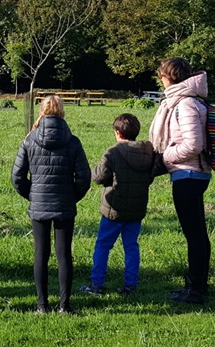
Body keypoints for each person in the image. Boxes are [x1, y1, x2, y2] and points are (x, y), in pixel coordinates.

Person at [12, 95, 92, 314]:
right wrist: (70, 196)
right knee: (64, 254)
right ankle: (64, 306)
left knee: (41, 254)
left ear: (42, 111)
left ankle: (41, 305)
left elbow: (17, 177)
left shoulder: (29, 140)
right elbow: (84, 178)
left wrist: (33, 195)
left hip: (39, 202)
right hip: (64, 203)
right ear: (62, 112)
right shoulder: (73, 141)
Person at [148, 57, 212, 305]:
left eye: (161, 76)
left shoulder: (185, 104)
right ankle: (196, 284)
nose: (160, 80)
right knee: (196, 233)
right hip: (189, 173)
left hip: (189, 173)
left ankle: (196, 289)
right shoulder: (186, 100)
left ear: (169, 77)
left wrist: (164, 157)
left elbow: (194, 144)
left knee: (194, 234)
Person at [79, 113, 165, 297]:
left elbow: (99, 177)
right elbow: (154, 171)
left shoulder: (113, 152)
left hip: (114, 209)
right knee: (131, 246)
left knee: (103, 245)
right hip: (136, 208)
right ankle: (130, 285)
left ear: (117, 132)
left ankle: (96, 284)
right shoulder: (148, 151)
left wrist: (94, 171)